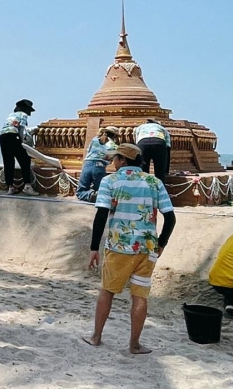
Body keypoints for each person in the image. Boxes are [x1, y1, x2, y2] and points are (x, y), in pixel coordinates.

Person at [84, 143, 176, 354]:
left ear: (123, 159)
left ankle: (96, 337)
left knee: (107, 291)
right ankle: (134, 345)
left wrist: (94, 247)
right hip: (147, 248)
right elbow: (170, 218)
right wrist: (161, 243)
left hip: (119, 247)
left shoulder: (110, 181)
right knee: (140, 296)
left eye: (115, 157)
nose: (112, 161)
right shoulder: (154, 182)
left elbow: (101, 216)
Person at [0, 99, 38, 196]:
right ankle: (27, 186)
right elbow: (21, 130)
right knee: (25, 159)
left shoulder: (11, 115)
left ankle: (10, 187)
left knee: (8, 161)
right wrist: (22, 142)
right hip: (13, 135)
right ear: (26, 109)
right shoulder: (23, 115)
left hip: (2, 136)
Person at [76, 127, 120, 203]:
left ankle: (90, 195)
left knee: (80, 191)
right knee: (100, 189)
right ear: (115, 136)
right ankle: (98, 196)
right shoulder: (114, 147)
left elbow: (89, 150)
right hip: (100, 166)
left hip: (87, 164)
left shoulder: (94, 140)